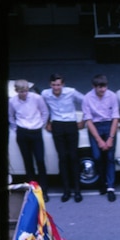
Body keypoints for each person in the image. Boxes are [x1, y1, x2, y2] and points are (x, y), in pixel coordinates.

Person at [42, 73, 84, 202]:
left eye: (58, 85)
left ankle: (77, 190)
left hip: (71, 124)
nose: (56, 87)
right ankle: (66, 191)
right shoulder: (45, 94)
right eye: (54, 85)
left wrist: (84, 119)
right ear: (50, 85)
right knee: (62, 157)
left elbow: (86, 101)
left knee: (73, 157)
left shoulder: (71, 92)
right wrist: (47, 121)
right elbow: (42, 108)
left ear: (63, 85)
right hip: (57, 125)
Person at [9, 79, 50, 202]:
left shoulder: (37, 98)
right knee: (28, 162)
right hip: (22, 132)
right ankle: (32, 190)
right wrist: (16, 129)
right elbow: (10, 116)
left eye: (26, 91)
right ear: (17, 91)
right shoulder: (12, 101)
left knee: (40, 161)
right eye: (21, 92)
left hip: (36, 131)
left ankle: (44, 190)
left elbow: (44, 112)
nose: (24, 94)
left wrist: (40, 125)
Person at [82, 74, 120, 202]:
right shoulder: (87, 98)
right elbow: (88, 120)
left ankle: (110, 187)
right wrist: (99, 140)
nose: (103, 90)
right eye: (100, 88)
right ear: (94, 87)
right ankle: (102, 181)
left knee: (110, 157)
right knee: (97, 156)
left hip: (109, 125)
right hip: (95, 126)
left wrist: (110, 138)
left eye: (104, 87)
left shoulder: (112, 96)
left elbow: (115, 117)